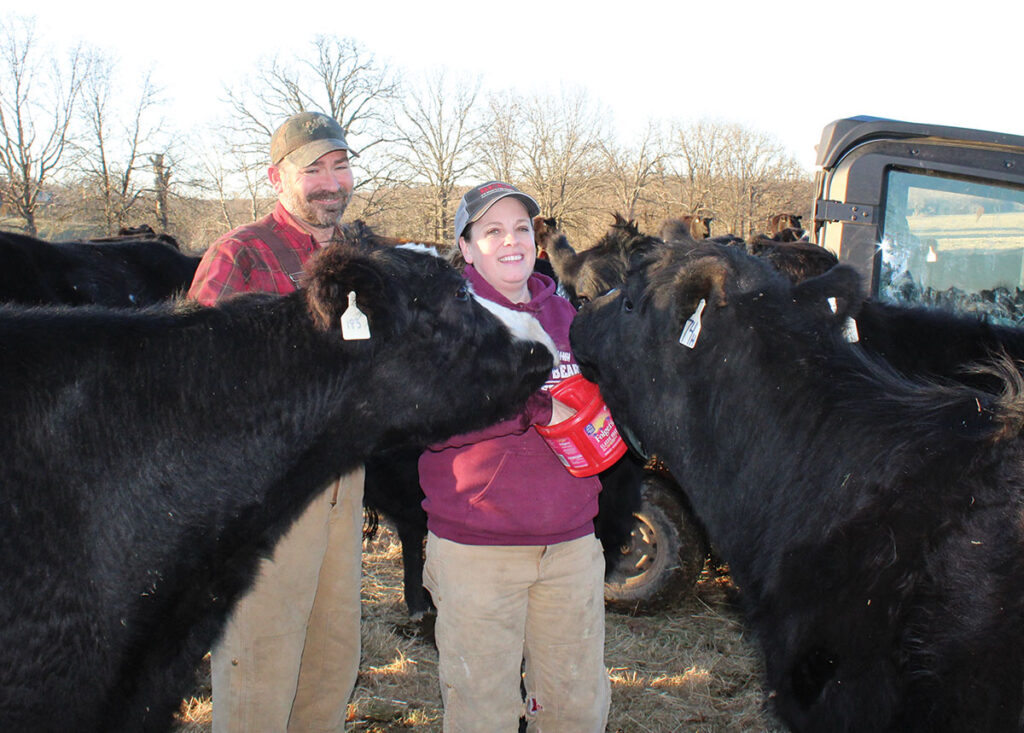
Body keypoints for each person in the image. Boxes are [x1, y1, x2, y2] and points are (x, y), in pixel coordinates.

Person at [188, 110, 364, 733]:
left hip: (345, 485)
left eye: (339, 164)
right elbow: (188, 385)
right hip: (269, 492)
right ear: (275, 177)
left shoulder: (353, 261)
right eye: (311, 168)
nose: (329, 181)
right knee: (262, 667)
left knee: (331, 660)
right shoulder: (240, 255)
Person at [419, 181, 611, 732]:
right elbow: (433, 419)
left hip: (570, 544)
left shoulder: (568, 316)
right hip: (478, 548)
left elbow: (597, 397)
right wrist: (532, 407)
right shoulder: (445, 320)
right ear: (466, 245)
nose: (511, 242)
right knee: (484, 711)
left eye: (522, 229)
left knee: (576, 706)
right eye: (493, 231)